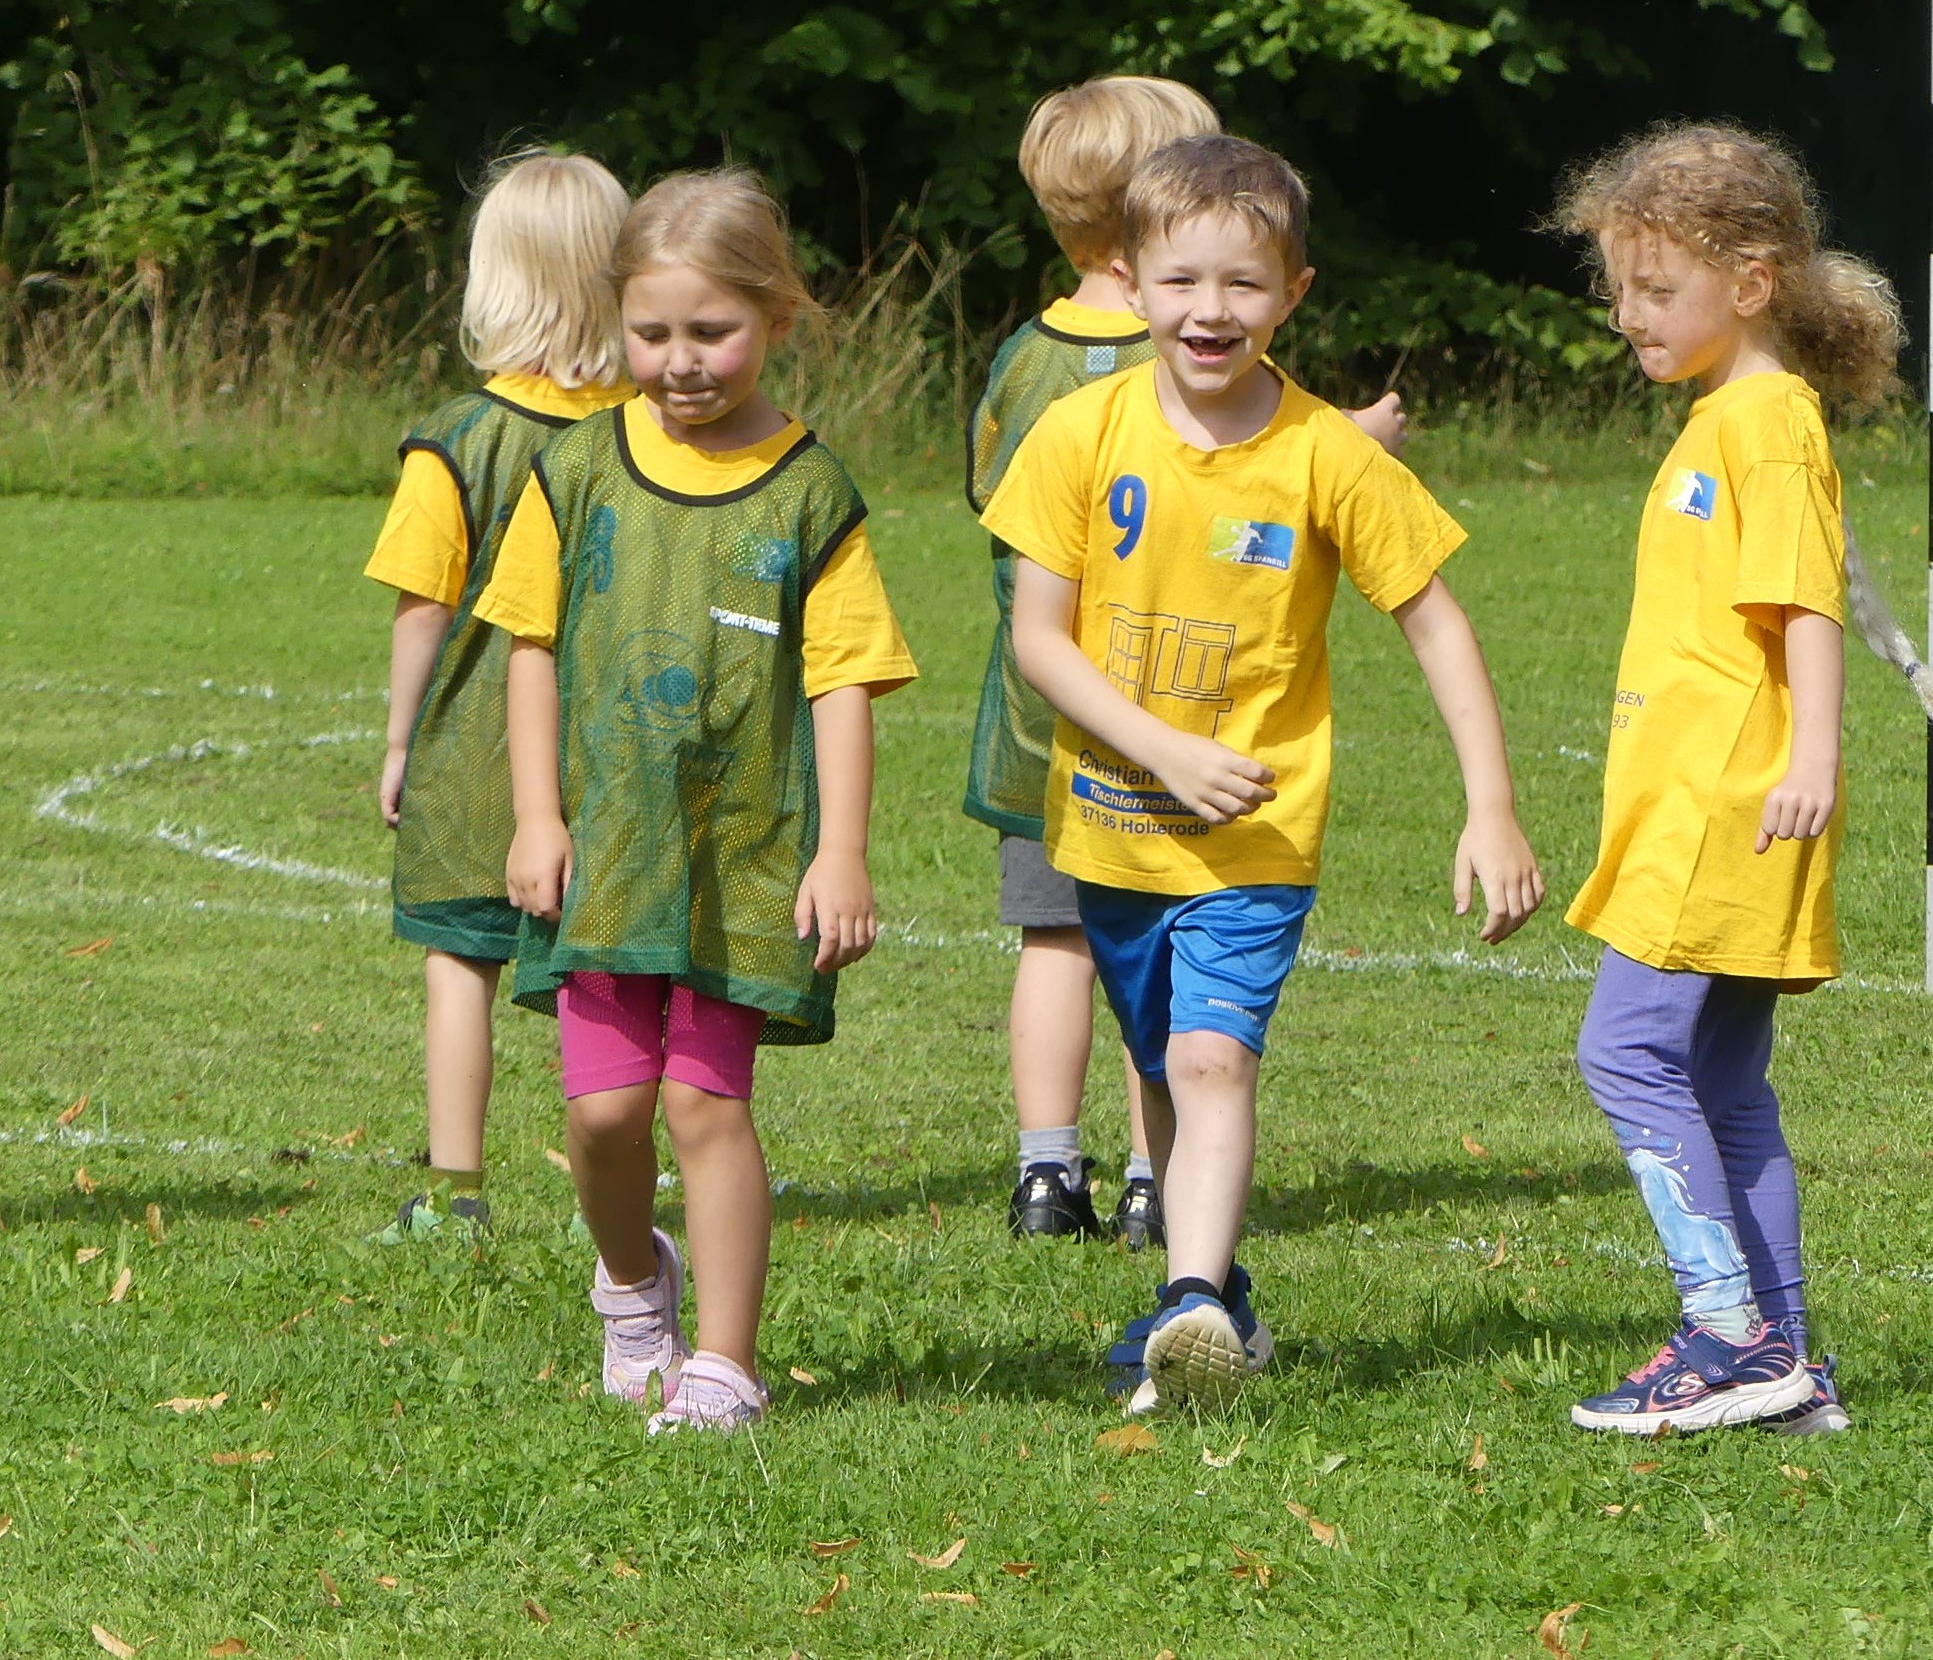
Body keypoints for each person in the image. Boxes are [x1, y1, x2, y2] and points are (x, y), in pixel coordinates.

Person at [983, 133, 1542, 1411]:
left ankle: (1186, 1301)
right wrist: (1165, 749)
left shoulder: (1324, 452)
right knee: (1162, 1060)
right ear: (1129, 282)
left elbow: (1435, 621)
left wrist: (1491, 807)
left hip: (1255, 837)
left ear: (1292, 293)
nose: (1209, 309)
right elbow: (1037, 639)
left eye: (1242, 283)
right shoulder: (1079, 433)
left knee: (1208, 1062)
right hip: (1111, 831)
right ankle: (1216, 1291)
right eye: (1181, 280)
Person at [1550, 121, 1933, 1438]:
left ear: (1750, 282)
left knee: (1625, 1050)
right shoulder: (1729, 417)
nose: (1628, 315)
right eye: (1618, 289)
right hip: (1703, 797)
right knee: (1722, 1082)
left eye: (1654, 287)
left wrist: (1811, 756)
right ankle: (1787, 1367)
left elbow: (1805, 605)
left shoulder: (1766, 424)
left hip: (1726, 801)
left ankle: (1726, 1337)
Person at [476, 167, 917, 1433]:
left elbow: (842, 678)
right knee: (604, 1114)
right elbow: (529, 646)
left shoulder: (811, 491)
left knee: (703, 1104)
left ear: (777, 318)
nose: (679, 361)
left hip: (744, 854)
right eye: (652, 331)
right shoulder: (573, 470)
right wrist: (537, 816)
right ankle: (633, 1291)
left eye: (712, 331)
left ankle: (725, 1365)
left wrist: (840, 851)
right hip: (608, 849)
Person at [966, 77, 1408, 1247]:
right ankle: (1146, 1180)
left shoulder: (1023, 354)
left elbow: (989, 495)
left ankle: (1050, 1169)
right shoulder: (1117, 386)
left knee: (1065, 944)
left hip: (1055, 712)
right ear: (1137, 236)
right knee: (1122, 950)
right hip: (1083, 723)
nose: (1208, 303)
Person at [362, 149, 636, 1243]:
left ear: (493, 278)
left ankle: (455, 1195)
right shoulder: (653, 432)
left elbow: (421, 607)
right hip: (616, 752)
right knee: (605, 972)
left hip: (476, 751)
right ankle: (608, 1198)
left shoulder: (459, 437)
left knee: (458, 964)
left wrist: (398, 742)